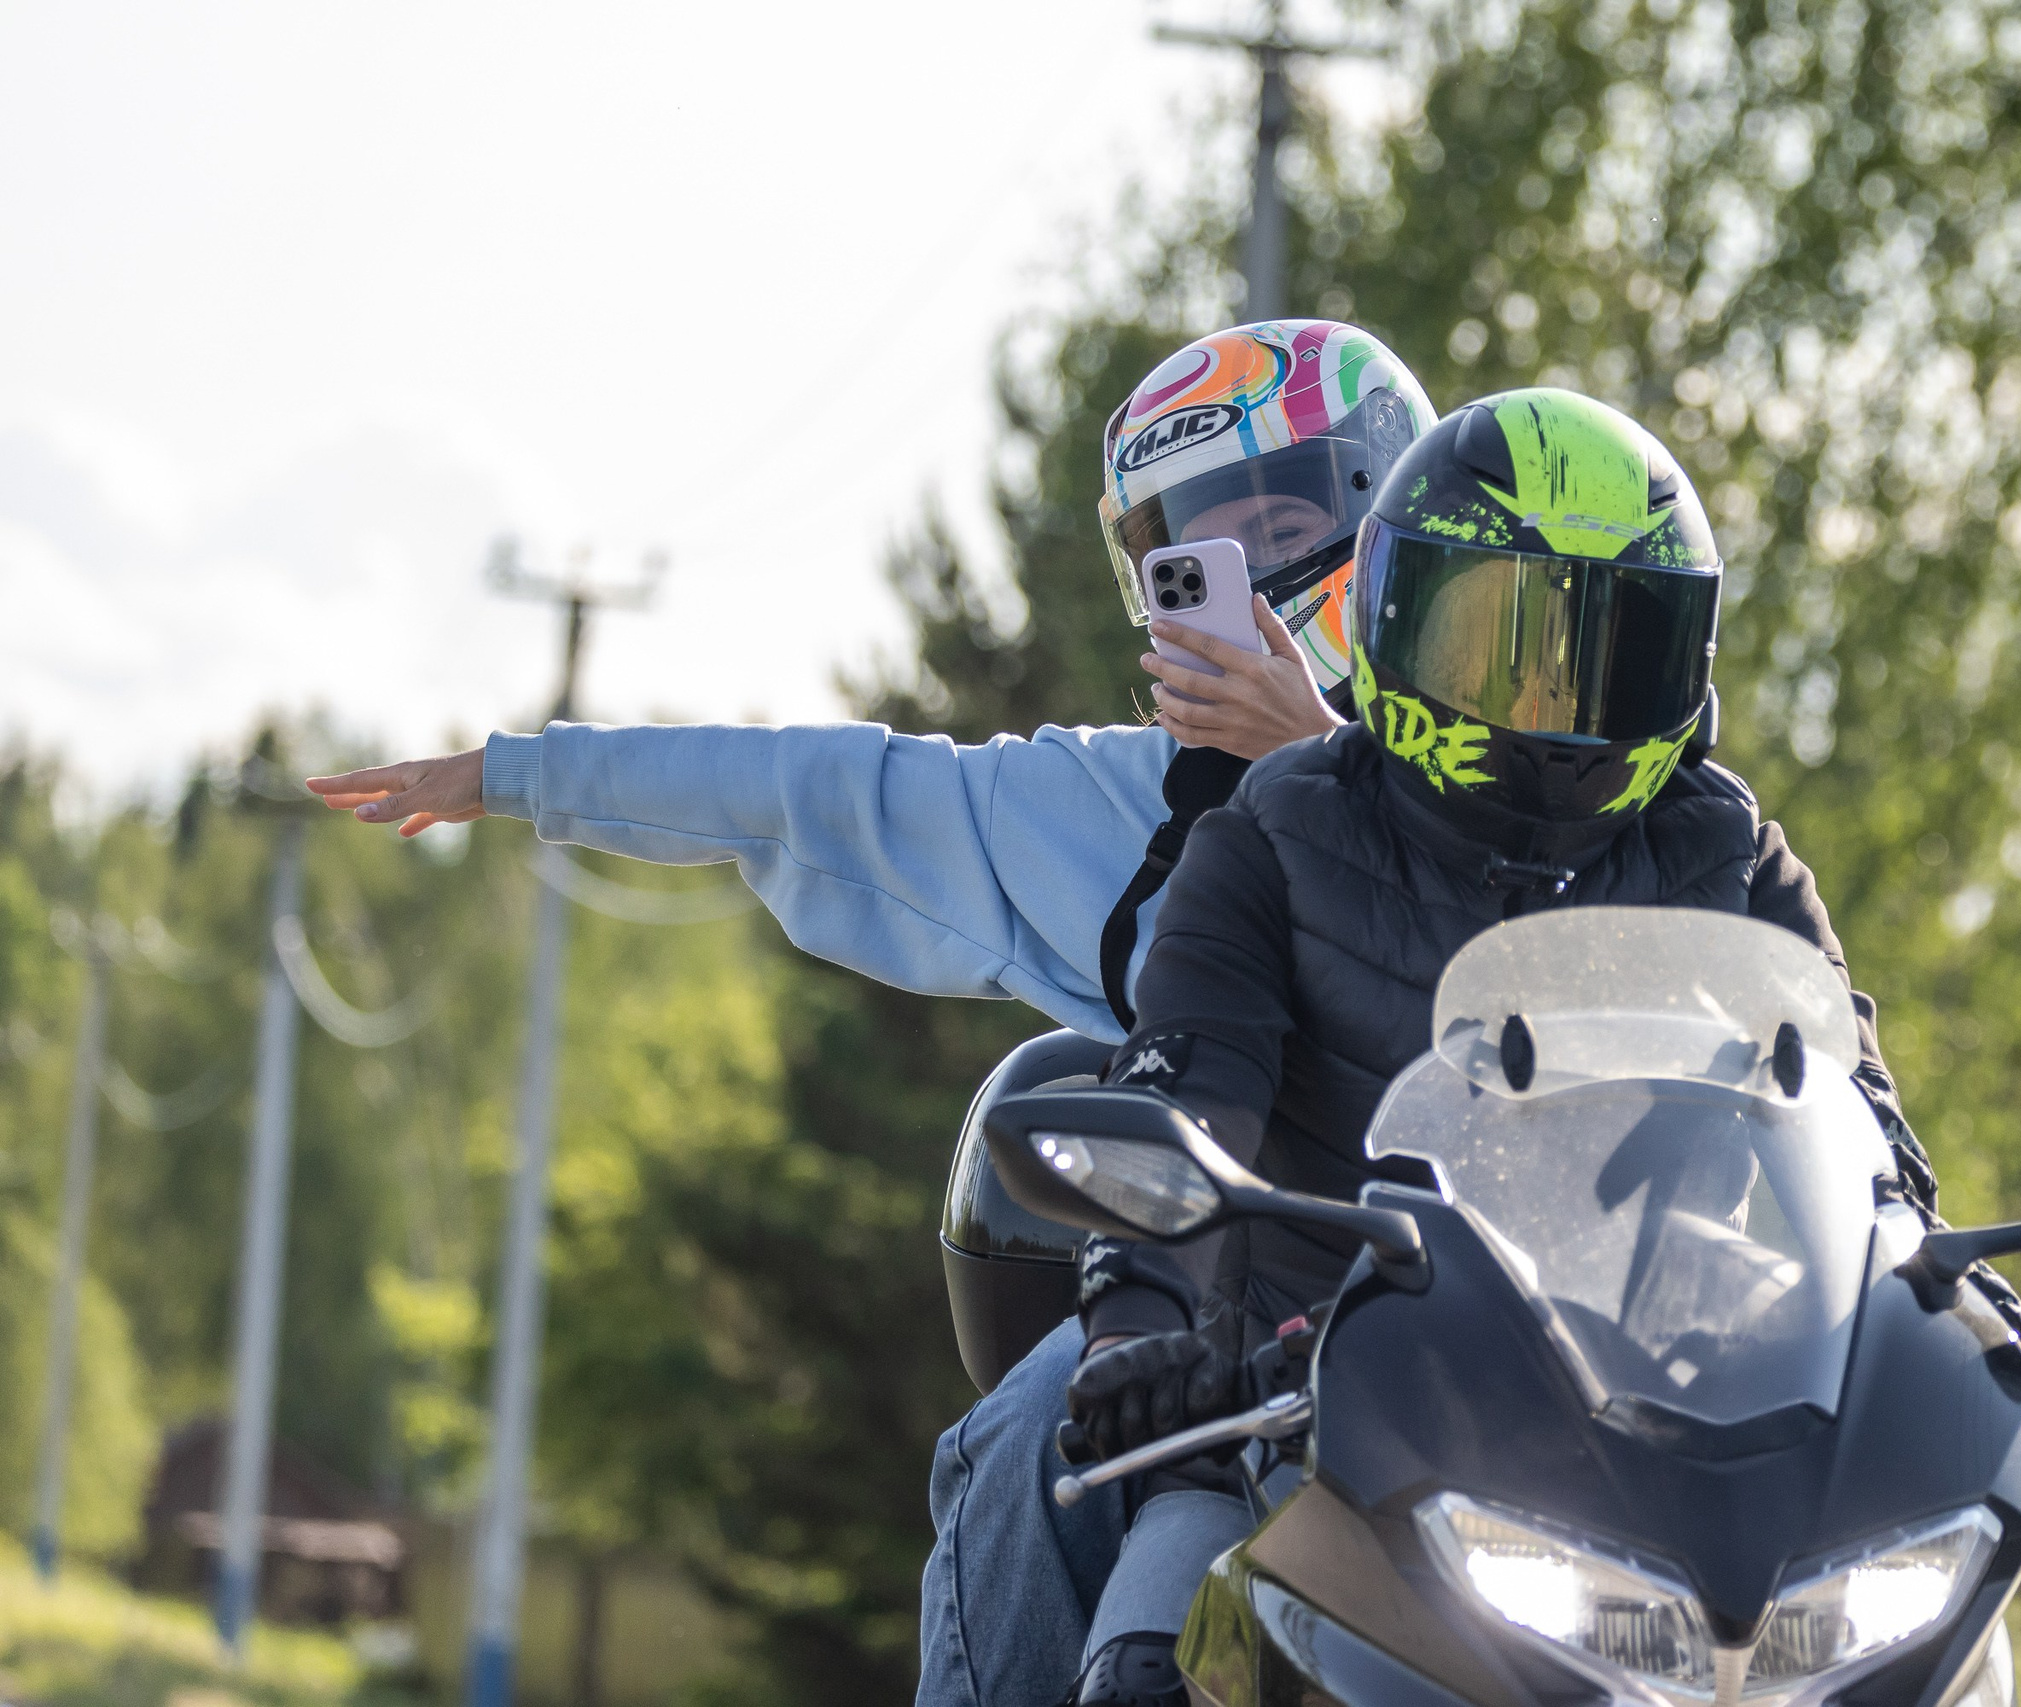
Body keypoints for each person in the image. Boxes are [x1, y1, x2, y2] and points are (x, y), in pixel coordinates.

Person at [303, 319, 1440, 1707]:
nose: (1238, 575)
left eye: (1282, 516)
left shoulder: (1555, 770)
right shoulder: (1126, 807)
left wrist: (1323, 762)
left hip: (1505, 1352)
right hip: (1238, 1358)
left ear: (1401, 517)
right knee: (1031, 1435)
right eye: (1188, 549)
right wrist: (519, 773)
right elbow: (821, 786)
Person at [1055, 389, 2021, 1706]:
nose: (1549, 700)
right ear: (1394, 617)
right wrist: (1142, 1338)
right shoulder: (1270, 834)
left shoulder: (1724, 850)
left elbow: (1866, 1133)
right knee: (1144, 1671)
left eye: (1611, 648)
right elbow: (1188, 1098)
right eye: (1501, 640)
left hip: (1673, 1427)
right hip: (1317, 1399)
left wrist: (1980, 1337)